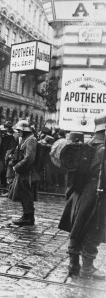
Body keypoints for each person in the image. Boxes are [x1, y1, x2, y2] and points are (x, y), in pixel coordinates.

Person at [58, 113, 106, 280]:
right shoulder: (104, 149)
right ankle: (87, 267)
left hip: (79, 193)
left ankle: (73, 264)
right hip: (97, 194)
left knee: (77, 227)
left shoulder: (87, 144)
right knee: (94, 229)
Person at [8, 120, 39, 226]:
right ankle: (26, 215)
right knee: (23, 193)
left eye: (19, 130)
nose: (18, 132)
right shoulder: (26, 139)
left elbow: (29, 158)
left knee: (27, 194)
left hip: (27, 172)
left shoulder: (31, 140)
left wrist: (17, 167)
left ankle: (28, 217)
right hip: (23, 171)